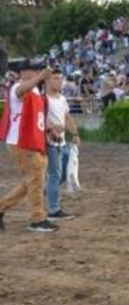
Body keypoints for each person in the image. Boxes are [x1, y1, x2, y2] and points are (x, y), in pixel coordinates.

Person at [0, 59, 58, 232]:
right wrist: (40, 77)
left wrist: (47, 129)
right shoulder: (18, 88)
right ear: (23, 72)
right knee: (35, 181)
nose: (37, 72)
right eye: (34, 69)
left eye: (38, 69)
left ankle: (3, 207)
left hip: (30, 140)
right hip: (22, 141)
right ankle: (37, 218)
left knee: (32, 181)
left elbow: (36, 116)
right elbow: (21, 90)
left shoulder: (33, 90)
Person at [44, 71, 80, 220]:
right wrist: (52, 127)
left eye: (60, 78)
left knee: (63, 174)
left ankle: (47, 191)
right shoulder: (43, 99)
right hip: (51, 141)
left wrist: (75, 133)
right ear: (47, 81)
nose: (59, 81)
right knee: (55, 174)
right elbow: (40, 118)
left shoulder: (62, 98)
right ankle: (53, 209)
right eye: (55, 78)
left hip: (63, 141)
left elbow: (67, 117)